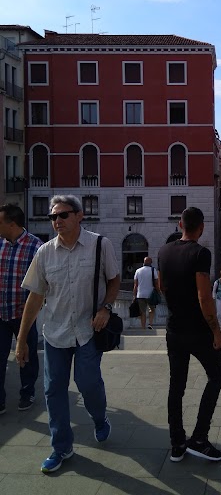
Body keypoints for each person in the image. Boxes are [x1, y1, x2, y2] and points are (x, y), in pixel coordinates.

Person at [15, 195, 120, 473]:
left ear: (79, 216)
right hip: (55, 332)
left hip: (88, 330)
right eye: (53, 217)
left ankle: (100, 419)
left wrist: (106, 307)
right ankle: (61, 447)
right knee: (53, 390)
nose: (57, 221)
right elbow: (35, 297)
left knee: (88, 384)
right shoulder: (45, 252)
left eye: (63, 215)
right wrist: (22, 339)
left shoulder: (100, 244)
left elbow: (114, 279)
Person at [158, 207, 221, 463]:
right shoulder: (201, 253)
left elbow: (161, 285)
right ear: (202, 227)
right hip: (198, 330)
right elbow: (204, 296)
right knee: (216, 375)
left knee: (176, 387)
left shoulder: (164, 251)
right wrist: (216, 332)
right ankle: (199, 438)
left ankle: (177, 444)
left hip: (173, 329)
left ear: (180, 224)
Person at [0, 204, 43, 415]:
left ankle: (27, 393)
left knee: (26, 356)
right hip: (0, 313)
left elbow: (42, 285)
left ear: (12, 224)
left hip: (24, 315)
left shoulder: (36, 247)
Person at [133, 257, 161, 330]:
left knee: (142, 312)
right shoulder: (153, 270)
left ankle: (143, 327)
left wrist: (134, 295)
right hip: (150, 294)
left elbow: (135, 285)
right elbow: (156, 282)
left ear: (144, 262)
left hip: (140, 294)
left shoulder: (138, 271)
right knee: (152, 310)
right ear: (150, 263)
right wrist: (159, 291)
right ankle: (150, 324)